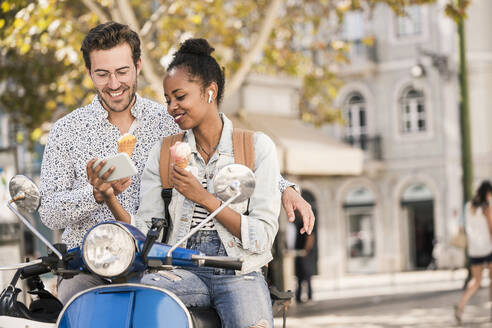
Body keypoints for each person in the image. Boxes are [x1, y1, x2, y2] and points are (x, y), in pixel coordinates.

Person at [38, 22, 314, 305]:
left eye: (122, 72)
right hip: (89, 268)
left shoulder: (169, 119)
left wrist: (285, 188)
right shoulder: (65, 132)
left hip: (157, 267)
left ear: (138, 65)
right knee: (84, 310)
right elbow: (48, 212)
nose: (114, 84)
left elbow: (221, 148)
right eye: (102, 74)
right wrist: (95, 195)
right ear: (89, 73)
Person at [88, 38, 279, 328]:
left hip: (240, 271)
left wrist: (202, 196)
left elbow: (263, 236)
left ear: (209, 92)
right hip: (181, 269)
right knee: (138, 302)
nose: (171, 107)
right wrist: (110, 197)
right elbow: (144, 232)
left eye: (180, 97)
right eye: (168, 100)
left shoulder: (255, 147)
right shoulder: (164, 153)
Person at [454, 181, 492, 324]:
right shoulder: (487, 207)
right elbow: (491, 228)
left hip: (474, 250)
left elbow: (461, 227)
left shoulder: (468, 206)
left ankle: (461, 306)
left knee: (476, 282)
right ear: (488, 193)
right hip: (488, 249)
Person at [294, 212, 315, 303]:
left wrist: (305, 251)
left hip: (304, 254)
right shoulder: (298, 224)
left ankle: (309, 296)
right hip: (300, 253)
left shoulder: (306, 224)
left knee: (306, 276)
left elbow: (310, 237)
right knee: (300, 277)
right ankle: (299, 297)